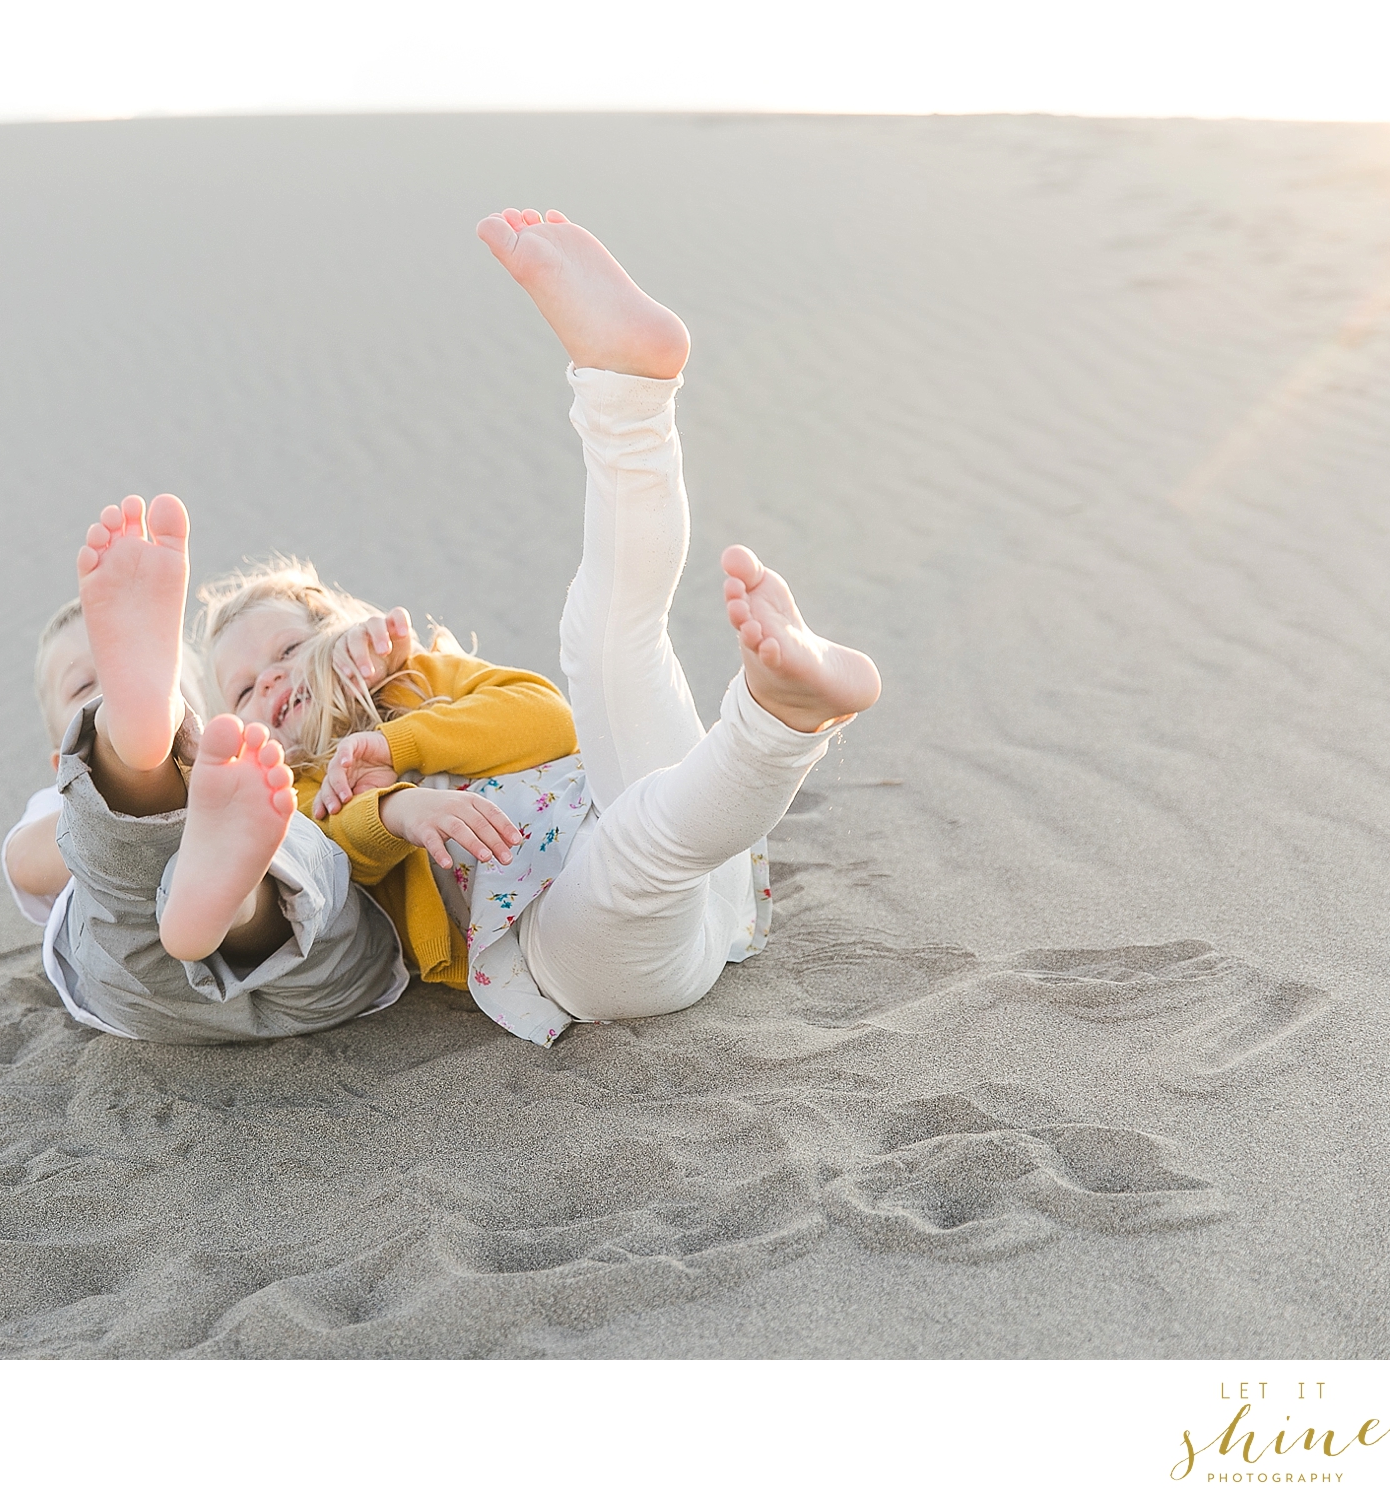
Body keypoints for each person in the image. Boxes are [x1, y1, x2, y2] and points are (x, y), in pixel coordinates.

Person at [202, 207, 881, 1044]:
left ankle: (630, 397)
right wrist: (401, 809)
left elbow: (547, 720)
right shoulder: (289, 783)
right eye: (242, 685)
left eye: (289, 647)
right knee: (639, 842)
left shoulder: (420, 680)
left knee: (605, 635)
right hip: (572, 947)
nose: (271, 679)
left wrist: (403, 740)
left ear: (341, 633)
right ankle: (780, 722)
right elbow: (334, 860)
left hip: (699, 850)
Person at [0, 533, 406, 1044]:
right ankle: (144, 775)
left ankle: (233, 900)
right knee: (118, 858)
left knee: (289, 842)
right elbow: (23, 862)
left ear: (214, 715)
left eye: (136, 678)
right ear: (63, 762)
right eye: (87, 689)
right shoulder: (54, 803)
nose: (106, 686)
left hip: (219, 984)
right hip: (300, 979)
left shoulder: (255, 772)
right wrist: (121, 792)